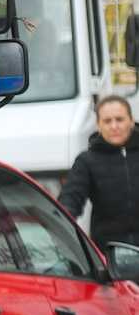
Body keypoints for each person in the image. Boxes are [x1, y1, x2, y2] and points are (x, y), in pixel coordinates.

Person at [58, 94, 139, 255]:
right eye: (107, 121)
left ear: (131, 121)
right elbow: (71, 198)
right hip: (109, 251)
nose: (114, 126)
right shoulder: (87, 160)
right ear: (98, 125)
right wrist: (61, 223)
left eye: (119, 119)